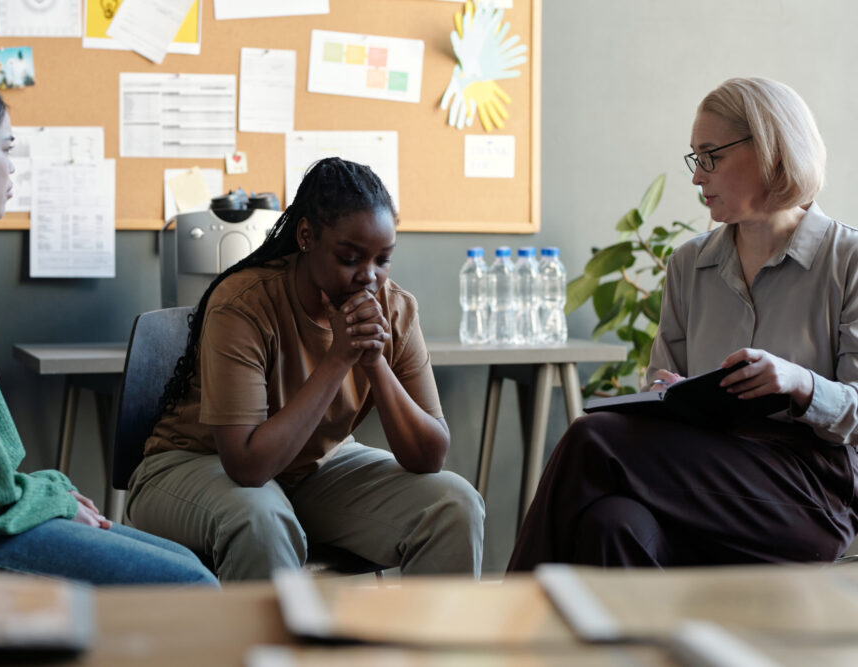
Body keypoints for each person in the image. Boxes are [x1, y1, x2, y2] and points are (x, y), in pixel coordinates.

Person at [0, 66, 217, 587]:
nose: (13, 170)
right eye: (6, 149)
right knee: (192, 587)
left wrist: (40, 494)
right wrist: (45, 499)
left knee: (189, 567)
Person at [507, 77, 858, 571]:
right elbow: (659, 380)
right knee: (612, 522)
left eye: (710, 156)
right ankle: (615, 649)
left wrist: (801, 384)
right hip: (699, 472)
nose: (697, 177)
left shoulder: (849, 259)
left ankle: (510, 629)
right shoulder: (689, 263)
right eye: (695, 159)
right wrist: (668, 392)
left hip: (808, 491)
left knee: (592, 437)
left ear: (771, 151)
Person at [125, 157, 485, 581]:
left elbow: (429, 456)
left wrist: (374, 362)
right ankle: (271, 649)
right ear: (307, 236)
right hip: (192, 465)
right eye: (349, 258)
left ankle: (421, 648)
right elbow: (248, 467)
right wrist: (338, 359)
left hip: (315, 468)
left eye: (383, 259)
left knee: (453, 504)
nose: (368, 277)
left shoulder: (396, 309)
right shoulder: (243, 304)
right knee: (261, 518)